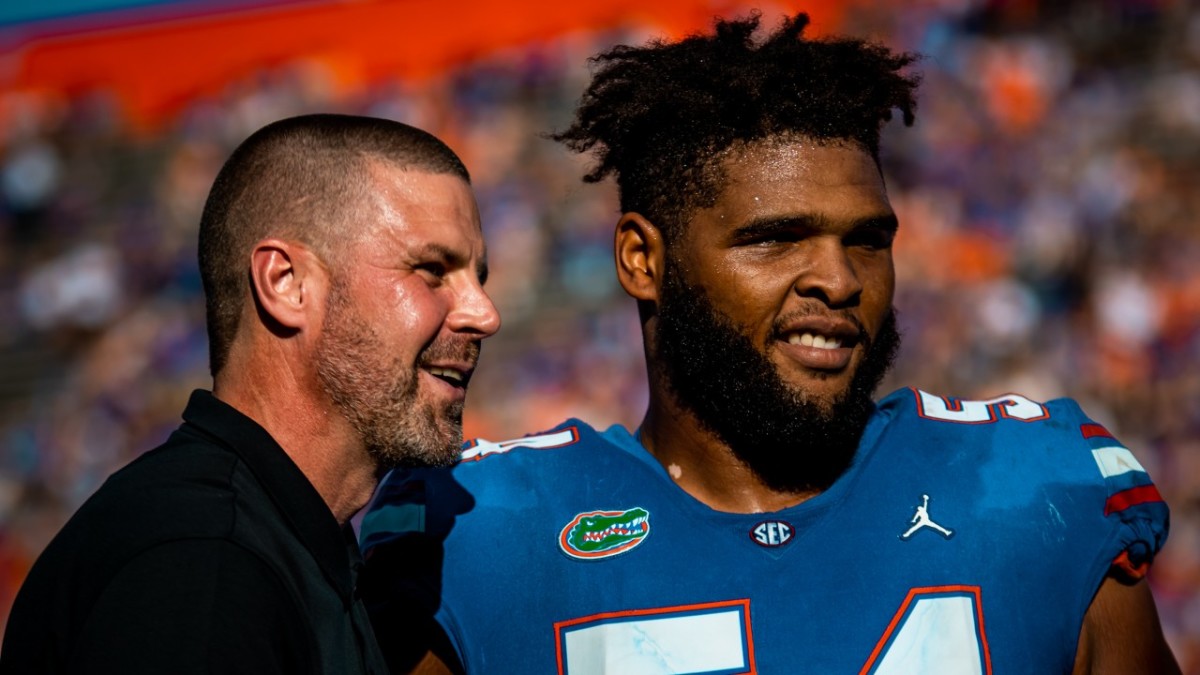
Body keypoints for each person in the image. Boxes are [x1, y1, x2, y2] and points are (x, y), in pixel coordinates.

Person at [358, 14, 1177, 675]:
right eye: (777, 238)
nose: (839, 278)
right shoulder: (475, 536)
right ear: (644, 259)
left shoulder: (1041, 489)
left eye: (867, 239)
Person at [0, 114, 500, 674]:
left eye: (479, 278)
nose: (484, 314)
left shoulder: (279, 539)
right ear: (286, 284)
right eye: (433, 270)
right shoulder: (202, 566)